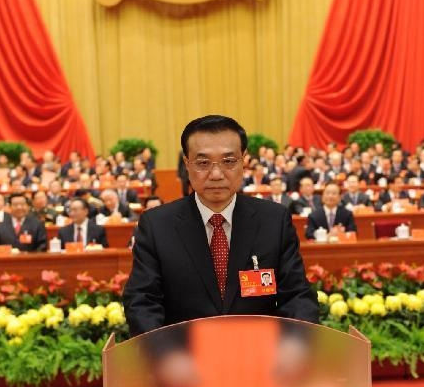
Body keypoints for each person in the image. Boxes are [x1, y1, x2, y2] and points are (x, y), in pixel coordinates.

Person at [123, 114, 318, 336]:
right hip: (183, 361)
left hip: (258, 356)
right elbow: (142, 300)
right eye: (203, 163)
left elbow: (297, 295)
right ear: (187, 164)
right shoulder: (157, 225)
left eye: (228, 161)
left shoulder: (274, 220)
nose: (216, 174)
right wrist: (162, 354)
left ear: (243, 162)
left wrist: (295, 345)